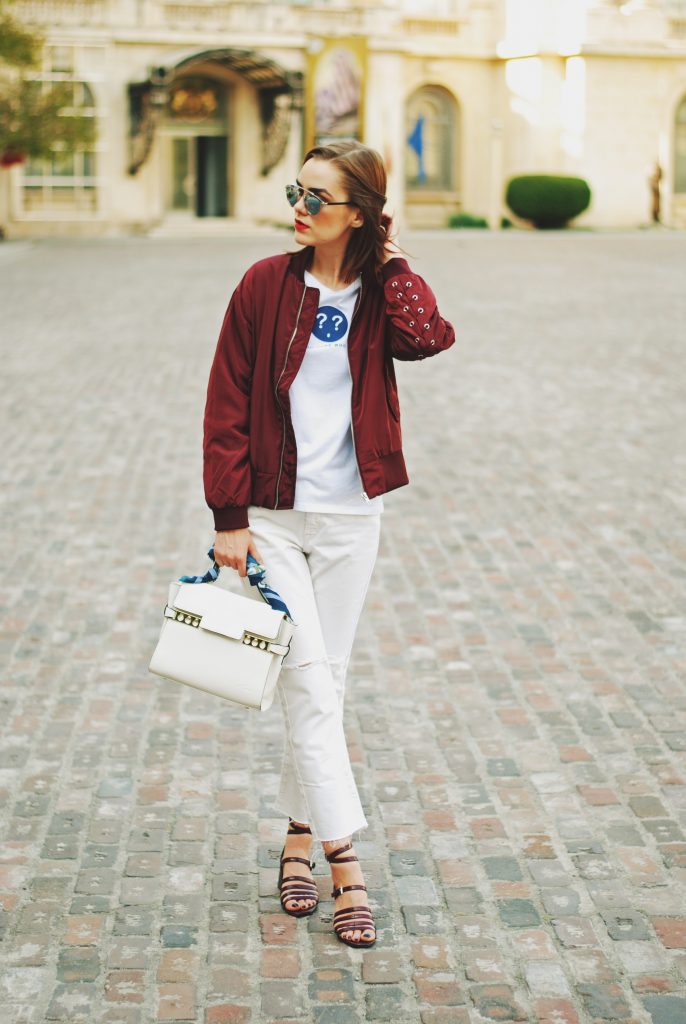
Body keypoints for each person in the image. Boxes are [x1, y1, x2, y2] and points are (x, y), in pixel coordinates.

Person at [203, 139, 455, 948]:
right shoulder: (263, 285)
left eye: (317, 199)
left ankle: (296, 838)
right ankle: (347, 859)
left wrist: (392, 265)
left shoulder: (383, 292)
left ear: (359, 213)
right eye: (296, 193)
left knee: (324, 683)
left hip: (352, 519)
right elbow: (227, 402)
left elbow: (431, 337)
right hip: (274, 518)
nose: (300, 209)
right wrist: (228, 518)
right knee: (308, 681)